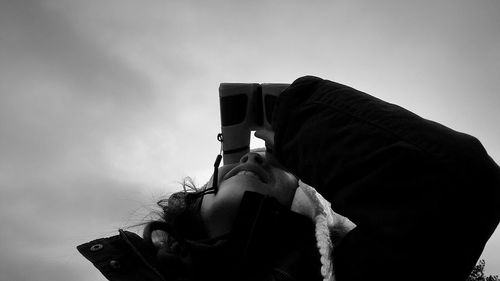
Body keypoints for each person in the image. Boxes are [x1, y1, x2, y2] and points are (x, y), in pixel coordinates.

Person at [77, 76, 500, 281]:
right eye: (216, 180)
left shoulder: (356, 270)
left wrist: (298, 127)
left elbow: (462, 185)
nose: (249, 163)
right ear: (182, 231)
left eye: (281, 171)